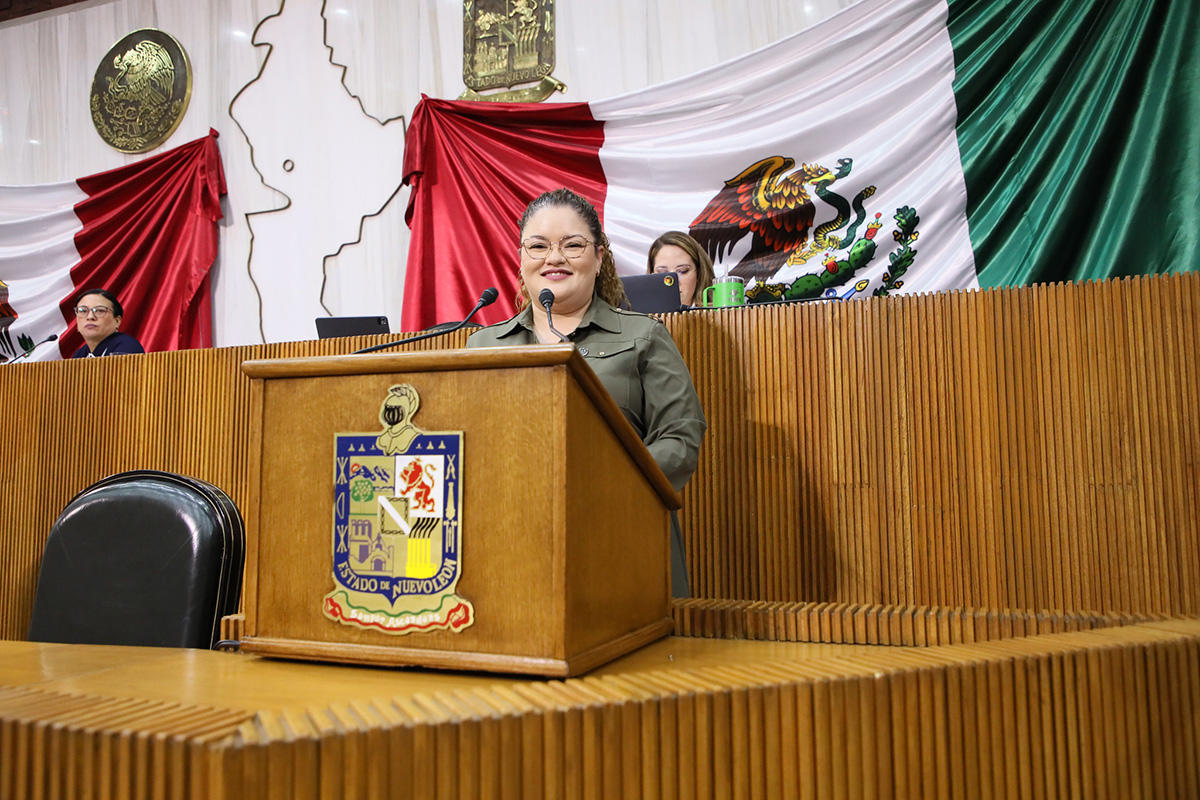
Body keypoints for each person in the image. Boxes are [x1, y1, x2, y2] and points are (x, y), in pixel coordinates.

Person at [467, 188, 707, 596]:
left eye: (572, 245)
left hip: (624, 542)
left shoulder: (644, 335)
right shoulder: (484, 345)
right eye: (538, 246)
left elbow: (682, 439)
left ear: (599, 258)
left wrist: (603, 480)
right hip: (514, 550)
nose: (553, 258)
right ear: (521, 258)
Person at [646, 230, 715, 307]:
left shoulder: (721, 315)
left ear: (699, 273)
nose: (673, 282)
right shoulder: (640, 317)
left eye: (682, 271)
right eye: (663, 273)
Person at [70, 288, 145, 358]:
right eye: (83, 311)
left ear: (117, 321)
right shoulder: (80, 354)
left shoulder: (127, 346)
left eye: (100, 310)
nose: (90, 317)